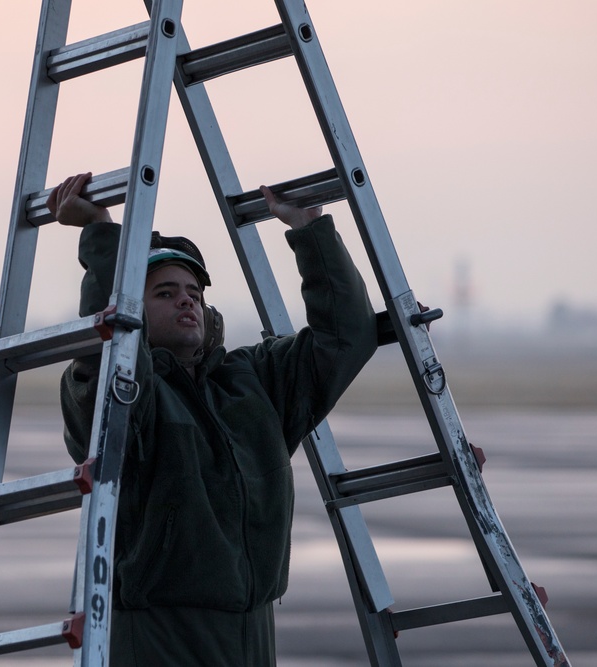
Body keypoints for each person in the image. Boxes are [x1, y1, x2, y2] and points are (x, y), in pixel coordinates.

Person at [47, 172, 377, 666]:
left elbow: (346, 337)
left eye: (193, 293)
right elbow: (108, 359)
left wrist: (311, 233)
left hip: (253, 633)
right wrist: (102, 233)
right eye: (163, 293)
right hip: (159, 637)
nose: (185, 300)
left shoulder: (251, 382)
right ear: (133, 306)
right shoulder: (123, 393)